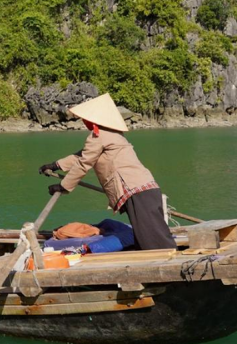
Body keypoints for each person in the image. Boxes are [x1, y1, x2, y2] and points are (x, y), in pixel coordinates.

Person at [39, 93, 177, 250]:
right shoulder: (111, 135)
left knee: (152, 237)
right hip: (146, 189)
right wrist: (55, 165)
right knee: (151, 233)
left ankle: (168, 264)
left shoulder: (99, 136)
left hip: (135, 190)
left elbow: (85, 162)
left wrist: (63, 187)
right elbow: (83, 155)